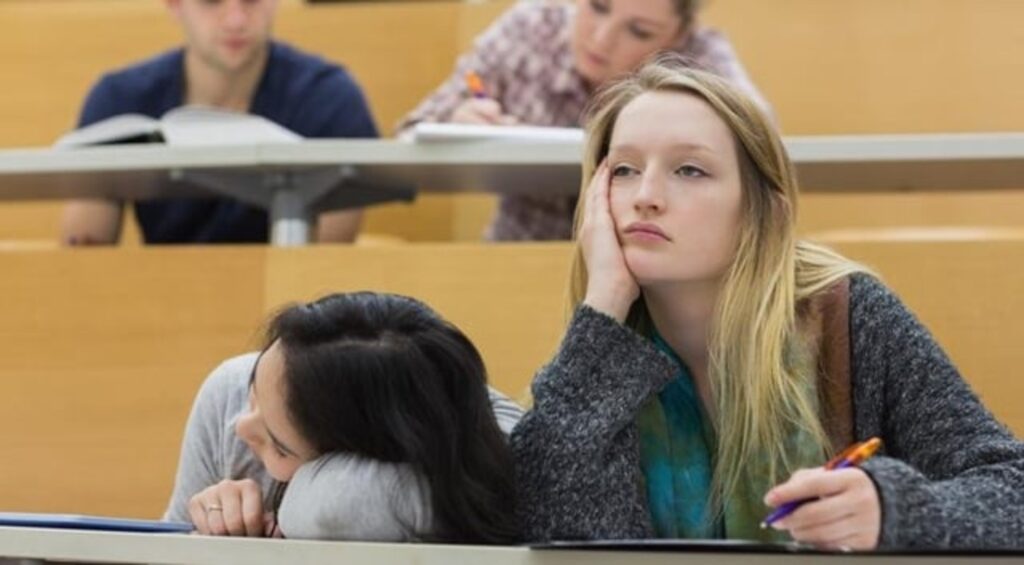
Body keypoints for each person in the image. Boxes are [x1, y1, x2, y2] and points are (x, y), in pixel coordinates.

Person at [511, 57, 1024, 550]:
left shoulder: (847, 314)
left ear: (765, 214)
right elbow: (541, 518)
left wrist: (895, 510)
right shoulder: (603, 349)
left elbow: (1012, 490)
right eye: (623, 170)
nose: (645, 195)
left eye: (689, 170)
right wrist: (602, 305)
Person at [165, 292, 521, 543]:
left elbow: (335, 506)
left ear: (358, 457)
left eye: (280, 447)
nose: (241, 426)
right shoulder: (230, 392)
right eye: (254, 389)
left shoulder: (504, 454)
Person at [399, 0, 767, 242]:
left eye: (639, 31)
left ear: (678, 37)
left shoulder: (699, 56)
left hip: (651, 272)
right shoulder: (533, 26)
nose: (602, 38)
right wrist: (458, 120)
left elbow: (762, 147)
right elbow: (411, 131)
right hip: (521, 253)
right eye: (597, 6)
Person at [61, 0, 377, 245]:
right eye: (211, 1)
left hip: (287, 310)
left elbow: (325, 260)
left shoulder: (328, 95)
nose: (235, 21)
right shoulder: (120, 98)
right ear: (175, 3)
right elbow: (84, 254)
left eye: (251, 0)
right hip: (159, 305)